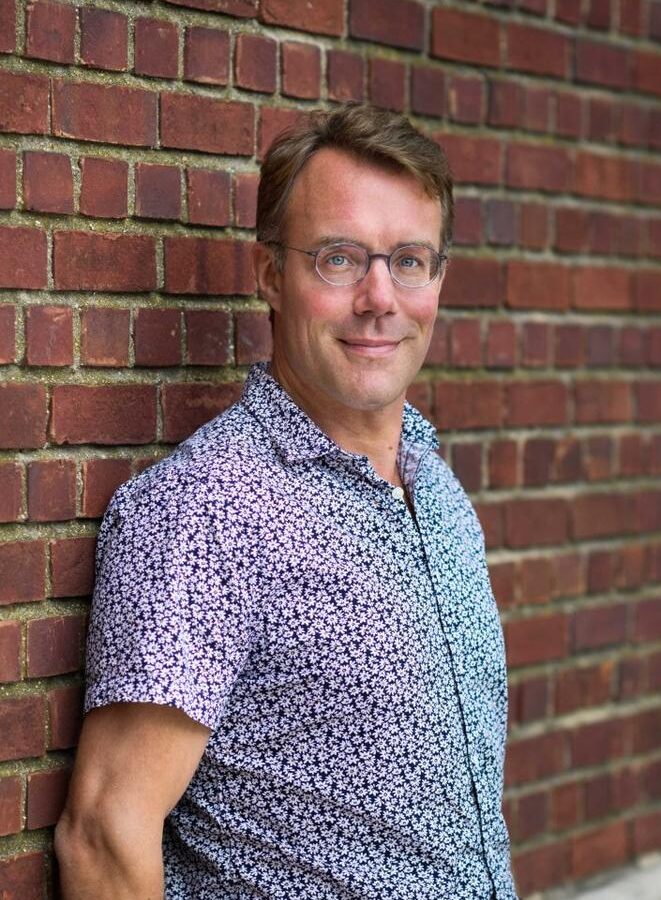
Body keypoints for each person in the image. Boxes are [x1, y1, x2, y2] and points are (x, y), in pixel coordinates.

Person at [55, 103, 518, 900]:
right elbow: (103, 834)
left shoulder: (435, 485)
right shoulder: (206, 509)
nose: (380, 297)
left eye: (410, 260)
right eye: (339, 259)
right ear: (271, 275)